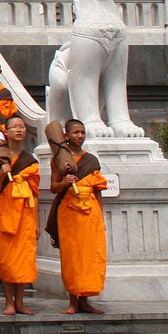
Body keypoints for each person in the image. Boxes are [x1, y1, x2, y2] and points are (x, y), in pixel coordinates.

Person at [47, 118, 107, 315]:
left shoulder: (91, 160)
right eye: (76, 132)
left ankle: (85, 301)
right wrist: (64, 182)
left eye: (82, 132)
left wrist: (100, 217)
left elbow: (97, 191)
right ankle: (73, 301)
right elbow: (53, 187)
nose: (80, 136)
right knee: (72, 257)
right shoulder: (59, 159)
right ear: (66, 135)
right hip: (69, 214)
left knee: (89, 257)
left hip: (90, 214)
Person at [0, 115, 38, 316]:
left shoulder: (29, 160)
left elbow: (35, 193)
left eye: (22, 127)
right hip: (6, 211)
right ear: (5, 132)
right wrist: (1, 174)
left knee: (24, 258)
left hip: (26, 214)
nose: (19, 130)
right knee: (7, 259)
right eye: (14, 127)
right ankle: (9, 302)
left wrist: (36, 222)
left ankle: (21, 302)